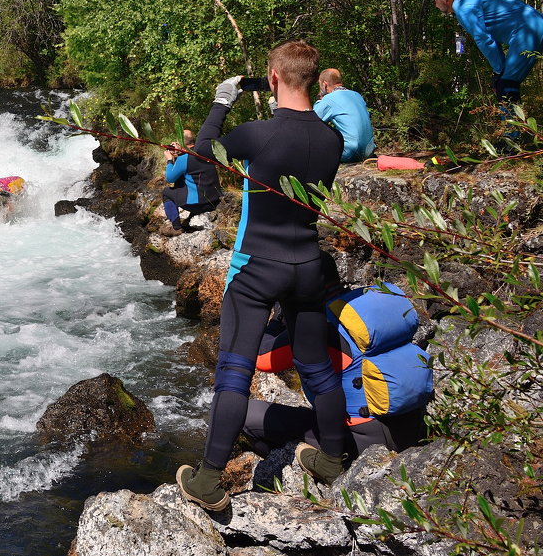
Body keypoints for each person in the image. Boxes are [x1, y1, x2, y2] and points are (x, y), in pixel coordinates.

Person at [175, 41, 346, 512]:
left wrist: (221, 101)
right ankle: (331, 458)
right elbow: (298, 150)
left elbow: (202, 154)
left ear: (273, 78)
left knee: (234, 371)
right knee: (315, 366)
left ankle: (209, 480)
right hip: (308, 266)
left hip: (257, 267)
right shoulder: (333, 139)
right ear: (312, 79)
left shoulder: (258, 134)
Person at [244, 254, 431, 463]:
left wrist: (279, 317)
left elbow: (261, 358)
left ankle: (305, 469)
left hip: (365, 442)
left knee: (245, 415)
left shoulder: (320, 325)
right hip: (413, 423)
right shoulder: (365, 305)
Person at [433, 0, 543, 104]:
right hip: (536, 25)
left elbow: (483, 38)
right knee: (507, 82)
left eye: (435, 0)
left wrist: (498, 70)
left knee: (506, 86)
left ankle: (510, 123)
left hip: (527, 32)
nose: (435, 5)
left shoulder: (462, 7)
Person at [160, 129, 221, 236]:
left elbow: (170, 178)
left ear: (181, 143)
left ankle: (176, 228)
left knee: (166, 192)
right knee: (186, 180)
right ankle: (191, 217)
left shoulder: (184, 159)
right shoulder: (204, 152)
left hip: (200, 205)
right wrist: (179, 152)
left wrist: (170, 159)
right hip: (215, 201)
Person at [313, 69, 375, 163]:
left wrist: (319, 99)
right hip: (368, 151)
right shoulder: (357, 95)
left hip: (350, 152)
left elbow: (311, 120)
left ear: (324, 84)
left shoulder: (329, 99)